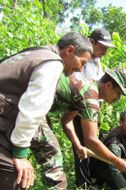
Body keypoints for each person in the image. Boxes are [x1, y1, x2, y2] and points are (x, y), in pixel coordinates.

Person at [0, 32, 93, 189]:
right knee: (16, 177)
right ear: (69, 51)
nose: (80, 69)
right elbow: (33, 109)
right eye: (82, 62)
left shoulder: (36, 52)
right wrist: (20, 154)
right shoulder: (53, 64)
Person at [56, 67, 126, 188]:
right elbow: (91, 141)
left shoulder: (88, 85)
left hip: (30, 105)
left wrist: (78, 146)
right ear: (108, 85)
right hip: (28, 106)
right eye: (118, 93)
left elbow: (66, 121)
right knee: (54, 166)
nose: (118, 98)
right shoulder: (91, 98)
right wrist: (117, 161)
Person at [71, 28, 117, 187]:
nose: (104, 51)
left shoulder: (97, 62)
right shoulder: (80, 59)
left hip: (93, 110)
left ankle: (93, 179)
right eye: (102, 47)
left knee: (94, 145)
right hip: (79, 109)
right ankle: (82, 183)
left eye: (106, 48)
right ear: (91, 42)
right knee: (83, 147)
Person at [89, 109, 126, 189]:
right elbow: (115, 171)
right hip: (102, 170)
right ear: (121, 122)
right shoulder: (114, 143)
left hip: (111, 162)